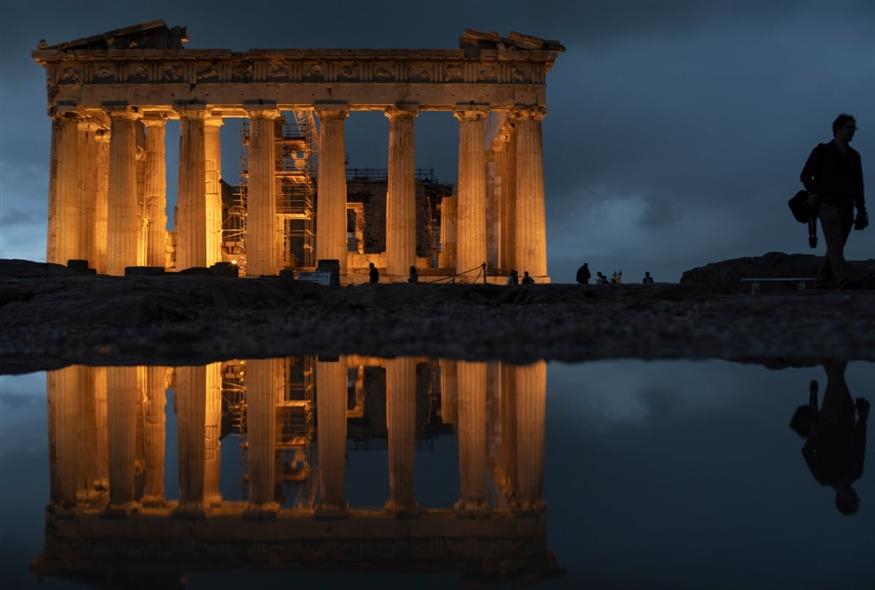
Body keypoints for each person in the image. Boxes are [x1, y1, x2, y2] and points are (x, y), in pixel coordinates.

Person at [790, 359, 869, 515]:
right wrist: (863, 419)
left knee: (836, 377)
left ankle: (837, 345)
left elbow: (806, 452)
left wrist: (813, 435)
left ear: (841, 499)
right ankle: (828, 350)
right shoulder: (856, 472)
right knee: (836, 378)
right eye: (856, 500)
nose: (856, 496)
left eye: (852, 500)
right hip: (847, 416)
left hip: (829, 420)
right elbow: (860, 444)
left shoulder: (824, 477)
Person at [800, 113, 868, 289]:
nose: (852, 131)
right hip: (827, 205)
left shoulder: (854, 156)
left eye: (854, 128)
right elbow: (805, 175)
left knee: (835, 246)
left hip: (847, 207)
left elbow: (858, 184)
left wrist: (862, 209)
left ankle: (822, 280)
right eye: (849, 128)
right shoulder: (822, 151)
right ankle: (843, 281)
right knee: (835, 244)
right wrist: (814, 192)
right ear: (838, 129)